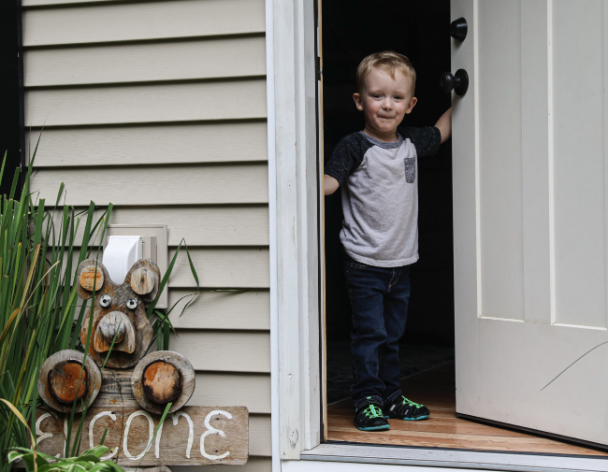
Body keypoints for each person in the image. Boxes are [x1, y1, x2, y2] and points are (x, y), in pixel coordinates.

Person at [324, 51, 452, 432]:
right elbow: (329, 184)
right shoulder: (353, 146)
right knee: (370, 336)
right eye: (377, 95)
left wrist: (464, 94)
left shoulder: (413, 141)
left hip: (401, 263)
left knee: (393, 337)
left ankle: (392, 396)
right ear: (359, 101)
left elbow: (444, 130)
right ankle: (367, 399)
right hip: (364, 263)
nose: (387, 105)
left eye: (397, 98)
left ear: (411, 105)